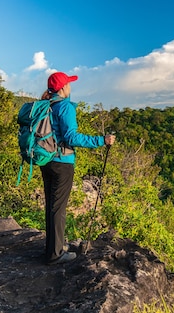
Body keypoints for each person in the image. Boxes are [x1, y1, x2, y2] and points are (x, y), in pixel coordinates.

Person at [39, 71, 116, 265]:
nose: (71, 87)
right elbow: (72, 137)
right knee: (58, 209)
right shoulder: (65, 107)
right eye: (69, 84)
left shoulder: (45, 105)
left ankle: (51, 250)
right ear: (64, 88)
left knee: (51, 206)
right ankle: (55, 255)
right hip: (62, 163)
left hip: (45, 160)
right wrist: (102, 140)